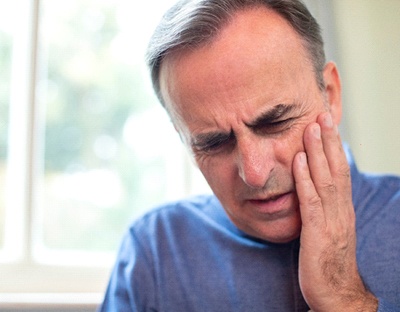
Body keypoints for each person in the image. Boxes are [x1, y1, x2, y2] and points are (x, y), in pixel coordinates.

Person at [99, 0, 400, 311]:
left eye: (275, 122)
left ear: (331, 97)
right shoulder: (152, 254)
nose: (255, 174)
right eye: (213, 142)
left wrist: (346, 301)